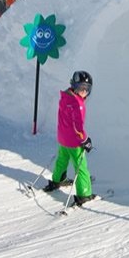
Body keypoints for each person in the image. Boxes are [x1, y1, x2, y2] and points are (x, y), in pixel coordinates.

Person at [42, 71, 97, 205]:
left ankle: (57, 180)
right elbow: (78, 127)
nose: (84, 92)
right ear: (74, 86)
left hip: (63, 138)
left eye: (87, 89)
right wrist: (85, 140)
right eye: (81, 88)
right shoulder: (77, 104)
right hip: (74, 142)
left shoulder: (65, 97)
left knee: (62, 160)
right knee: (81, 167)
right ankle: (84, 194)